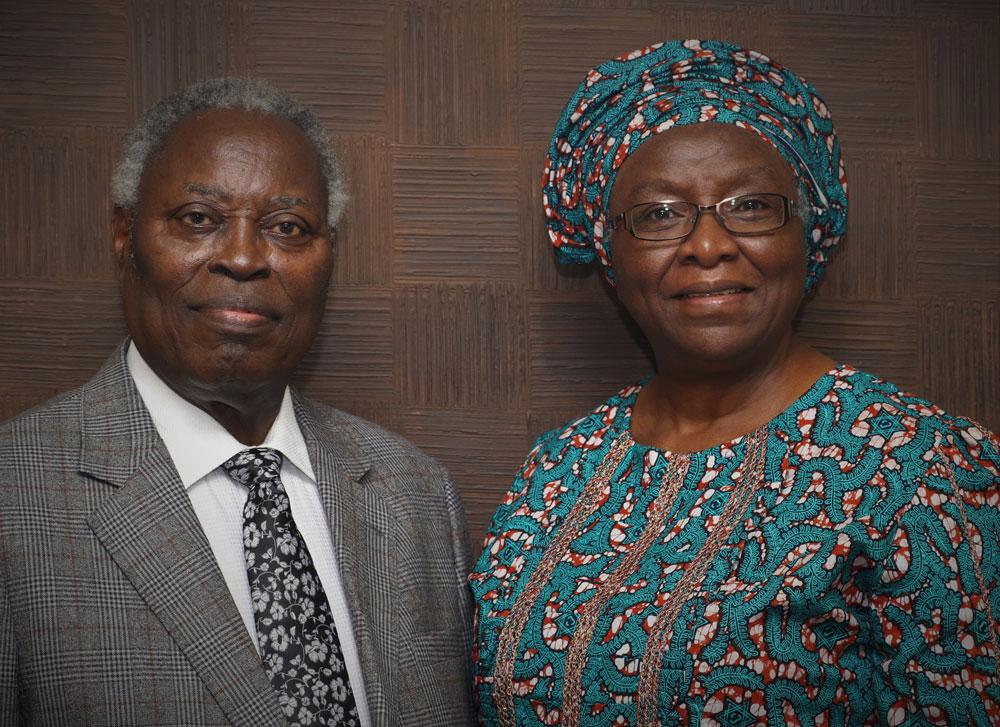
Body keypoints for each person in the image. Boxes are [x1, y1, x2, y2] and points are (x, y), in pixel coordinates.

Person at [471, 40, 1000, 726]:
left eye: (750, 205)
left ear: (807, 230)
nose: (709, 244)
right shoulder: (559, 467)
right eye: (660, 213)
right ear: (609, 250)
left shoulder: (921, 464)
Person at [0, 78, 474, 726]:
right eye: (199, 219)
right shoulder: (13, 495)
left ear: (329, 254)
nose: (245, 257)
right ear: (124, 233)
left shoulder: (417, 496)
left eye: (287, 226)